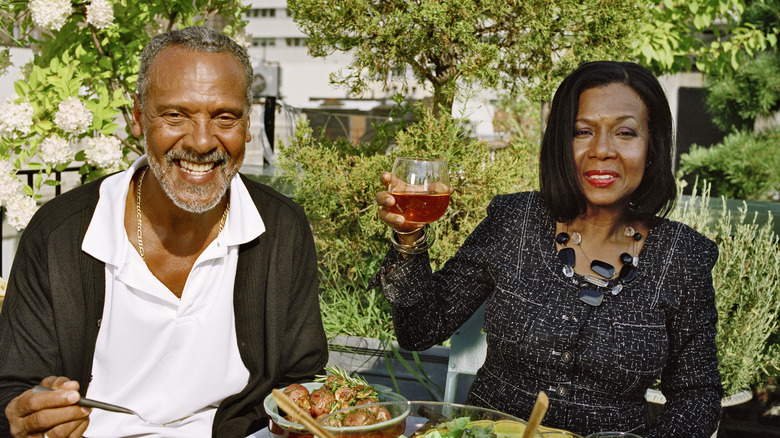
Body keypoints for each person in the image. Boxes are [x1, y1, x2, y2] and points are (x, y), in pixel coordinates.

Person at [0, 26, 328, 438]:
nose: (203, 141)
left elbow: (302, 379)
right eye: (175, 115)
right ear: (138, 117)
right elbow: (12, 388)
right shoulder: (59, 233)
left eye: (224, 117)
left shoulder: (280, 229)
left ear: (246, 125)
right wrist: (28, 413)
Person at [374, 61, 722, 437]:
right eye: (582, 131)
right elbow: (419, 329)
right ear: (561, 143)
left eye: (625, 132)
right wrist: (408, 240)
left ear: (652, 146)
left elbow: (697, 396)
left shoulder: (683, 257)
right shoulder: (516, 221)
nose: (601, 149)